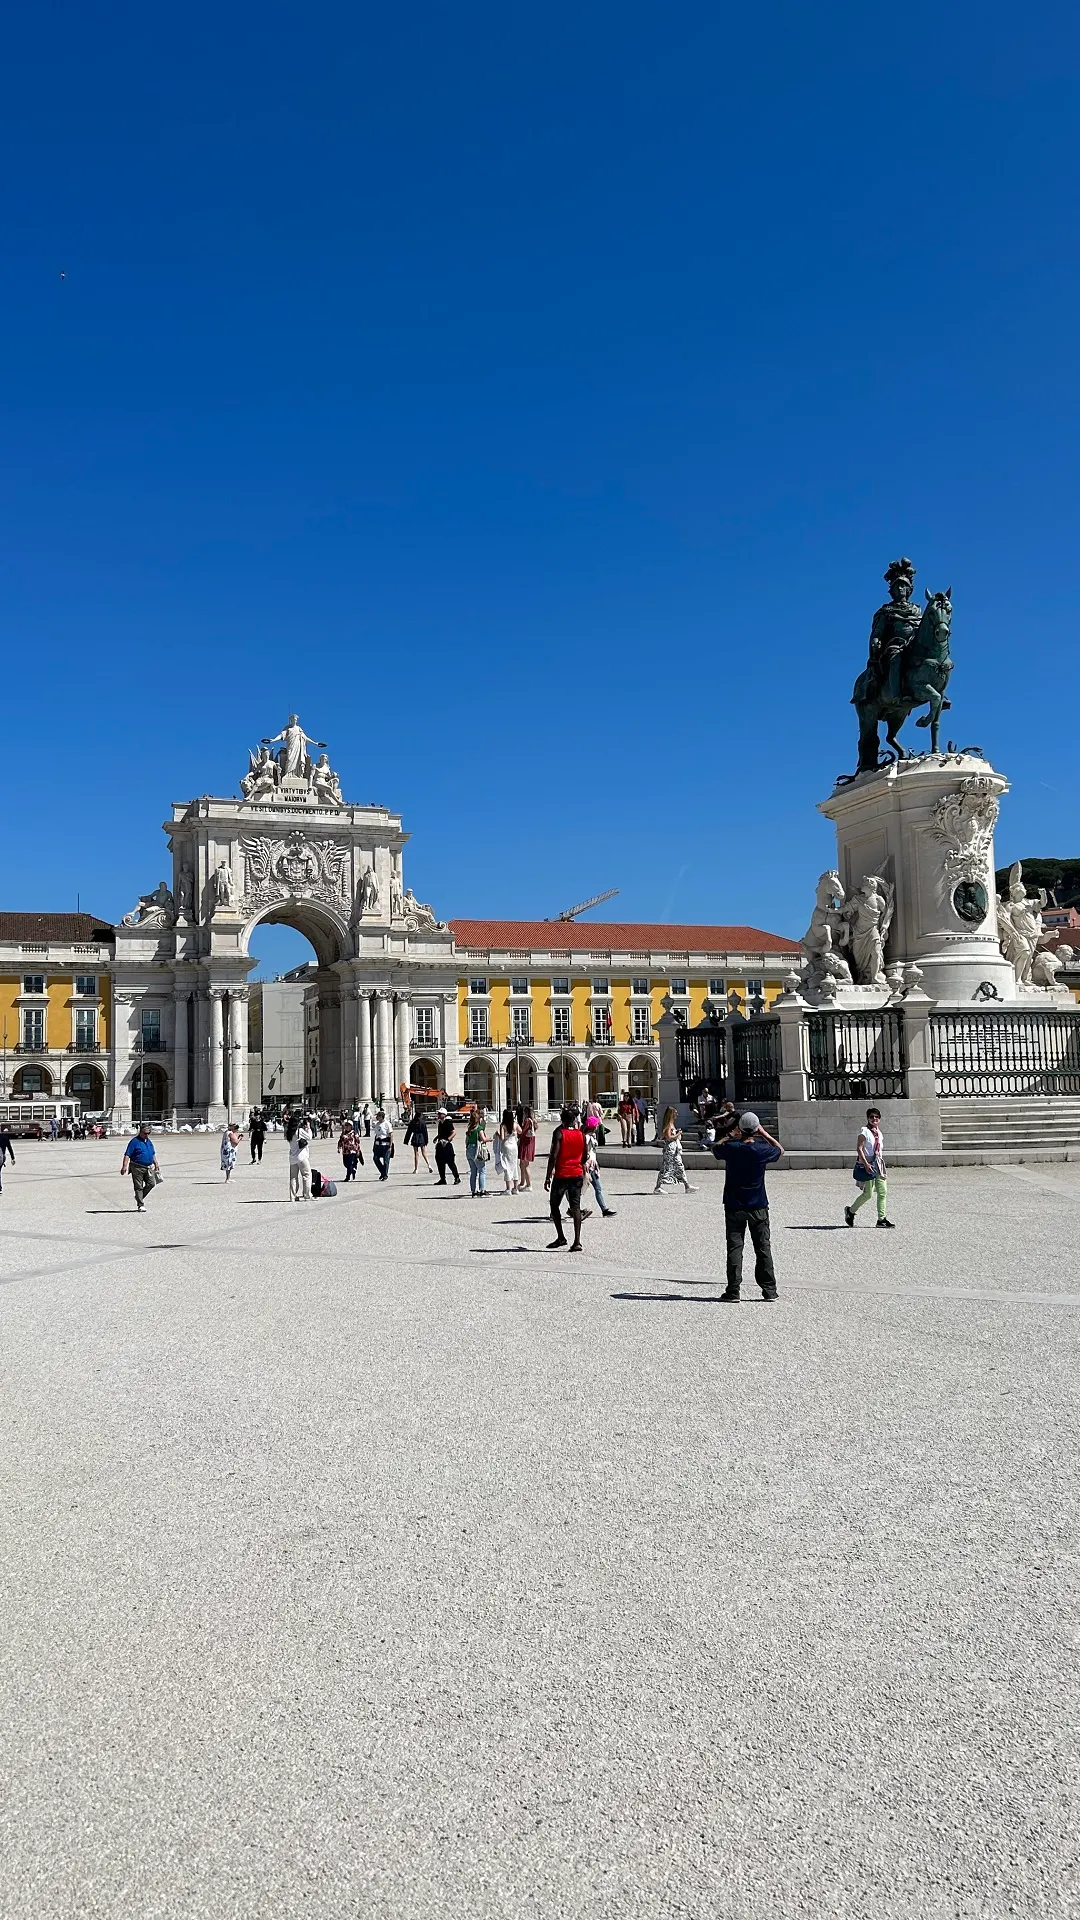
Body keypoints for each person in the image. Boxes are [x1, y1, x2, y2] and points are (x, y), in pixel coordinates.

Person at [712, 1111, 783, 1301]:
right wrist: (764, 1133)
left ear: (740, 1129)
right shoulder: (762, 1149)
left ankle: (733, 1290)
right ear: (756, 1129)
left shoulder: (732, 1148)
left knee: (735, 1248)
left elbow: (715, 1148)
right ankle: (769, 1289)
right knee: (763, 1248)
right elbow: (780, 1150)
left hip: (734, 1204)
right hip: (758, 1204)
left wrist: (729, 1135)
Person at [544, 1106, 587, 1252]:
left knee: (554, 1205)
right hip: (576, 1174)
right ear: (574, 1120)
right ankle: (577, 1241)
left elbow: (553, 1156)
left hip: (562, 1175)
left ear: (562, 1120)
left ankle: (561, 1237)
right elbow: (585, 1156)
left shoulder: (559, 1133)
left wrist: (548, 1176)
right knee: (576, 1207)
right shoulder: (581, 1134)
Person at [845, 1107, 895, 1229]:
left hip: (878, 1164)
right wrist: (866, 1164)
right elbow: (859, 1149)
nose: (874, 1119)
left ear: (880, 1119)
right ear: (868, 1118)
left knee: (882, 1192)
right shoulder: (865, 1132)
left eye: (876, 1117)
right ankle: (850, 1211)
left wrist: (882, 1168)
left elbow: (879, 1151)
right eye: (871, 1117)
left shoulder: (879, 1133)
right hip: (868, 1164)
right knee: (868, 1194)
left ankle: (881, 1219)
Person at [654, 1106, 694, 1195]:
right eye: (675, 1113)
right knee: (666, 1167)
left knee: (679, 1166)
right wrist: (678, 1134)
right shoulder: (668, 1124)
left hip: (674, 1148)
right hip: (670, 1149)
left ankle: (687, 1186)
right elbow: (668, 1137)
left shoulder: (671, 1124)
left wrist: (677, 1133)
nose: (677, 1115)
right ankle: (658, 1187)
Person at [121, 1122, 158, 1211]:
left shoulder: (148, 1141)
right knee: (138, 1186)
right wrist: (124, 1166)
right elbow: (127, 1154)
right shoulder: (134, 1141)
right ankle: (140, 1204)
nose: (147, 1135)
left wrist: (156, 1163)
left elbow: (152, 1153)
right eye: (145, 1133)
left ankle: (139, 1197)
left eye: (148, 1133)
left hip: (148, 1167)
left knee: (151, 1183)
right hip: (137, 1167)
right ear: (140, 1132)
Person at [583, 1117, 616, 1217]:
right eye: (597, 1124)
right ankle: (575, 1208)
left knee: (597, 1188)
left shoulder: (592, 1136)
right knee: (582, 1189)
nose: (598, 1126)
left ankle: (604, 1208)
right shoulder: (586, 1137)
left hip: (593, 1165)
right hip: (588, 1165)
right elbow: (584, 1150)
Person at [434, 1109, 461, 1186]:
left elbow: (454, 1132)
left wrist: (447, 1140)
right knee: (440, 1162)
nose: (438, 1115)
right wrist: (436, 1138)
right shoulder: (440, 1123)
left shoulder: (448, 1122)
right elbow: (441, 1133)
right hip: (440, 1145)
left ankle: (457, 1178)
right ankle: (442, 1179)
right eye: (438, 1113)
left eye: (440, 1114)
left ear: (444, 1114)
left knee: (450, 1162)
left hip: (447, 1146)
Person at [465, 1110, 489, 1196]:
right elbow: (483, 1139)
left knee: (473, 1172)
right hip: (477, 1150)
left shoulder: (470, 1129)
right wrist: (490, 1139)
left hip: (469, 1150)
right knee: (482, 1170)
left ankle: (473, 1191)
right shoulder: (479, 1128)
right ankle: (482, 1190)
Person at [498, 1108, 521, 1194]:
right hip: (514, 1146)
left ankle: (508, 1188)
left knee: (507, 1166)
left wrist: (497, 1135)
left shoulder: (503, 1125)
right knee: (514, 1165)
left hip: (506, 1146)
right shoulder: (515, 1124)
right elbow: (520, 1131)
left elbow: (502, 1138)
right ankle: (515, 1188)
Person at [289, 1123, 312, 1201]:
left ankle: (293, 1196)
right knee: (307, 1175)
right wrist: (308, 1128)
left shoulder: (288, 1132)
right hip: (301, 1156)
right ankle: (307, 1195)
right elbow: (309, 1137)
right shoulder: (299, 1130)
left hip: (292, 1157)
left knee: (293, 1177)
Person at [518, 1107, 537, 1190]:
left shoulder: (527, 1121)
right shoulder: (532, 1121)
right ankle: (522, 1182)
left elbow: (522, 1132)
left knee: (525, 1164)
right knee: (522, 1164)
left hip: (526, 1144)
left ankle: (529, 1184)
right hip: (529, 1143)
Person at [372, 1109, 394, 1181]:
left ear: (381, 1117)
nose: (377, 1118)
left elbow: (391, 1135)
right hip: (378, 1144)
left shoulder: (387, 1124)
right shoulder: (377, 1124)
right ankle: (383, 1172)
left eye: (378, 1116)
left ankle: (385, 1175)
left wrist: (390, 1146)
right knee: (375, 1158)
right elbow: (376, 1135)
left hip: (385, 1145)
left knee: (386, 1161)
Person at [409, 1109, 432, 1173]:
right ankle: (429, 1165)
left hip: (415, 1137)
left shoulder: (413, 1122)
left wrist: (406, 1140)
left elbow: (409, 1131)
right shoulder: (422, 1122)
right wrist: (426, 1140)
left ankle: (416, 1169)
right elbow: (425, 1132)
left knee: (416, 1153)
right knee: (424, 1152)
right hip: (421, 1137)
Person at [0, 1122, 15, 1194]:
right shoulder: (5, 1137)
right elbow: (10, 1148)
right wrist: (13, 1158)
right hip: (2, 1157)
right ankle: (0, 1189)